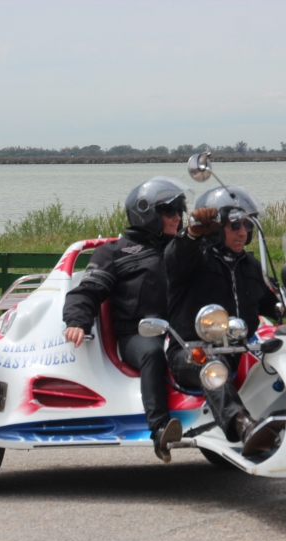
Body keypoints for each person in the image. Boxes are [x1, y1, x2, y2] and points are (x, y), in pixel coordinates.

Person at [62, 176, 190, 463]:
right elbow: (86, 291)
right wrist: (76, 321)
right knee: (152, 353)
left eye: (180, 211)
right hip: (138, 335)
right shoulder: (113, 253)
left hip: (179, 331)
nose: (178, 218)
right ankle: (159, 430)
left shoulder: (181, 249)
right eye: (170, 211)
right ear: (147, 214)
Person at [164, 186, 280, 457]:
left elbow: (274, 303)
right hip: (191, 352)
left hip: (239, 349)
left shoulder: (250, 267)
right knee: (212, 365)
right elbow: (175, 258)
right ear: (216, 228)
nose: (243, 232)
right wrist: (193, 231)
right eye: (235, 225)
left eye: (247, 225)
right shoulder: (196, 261)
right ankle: (243, 425)